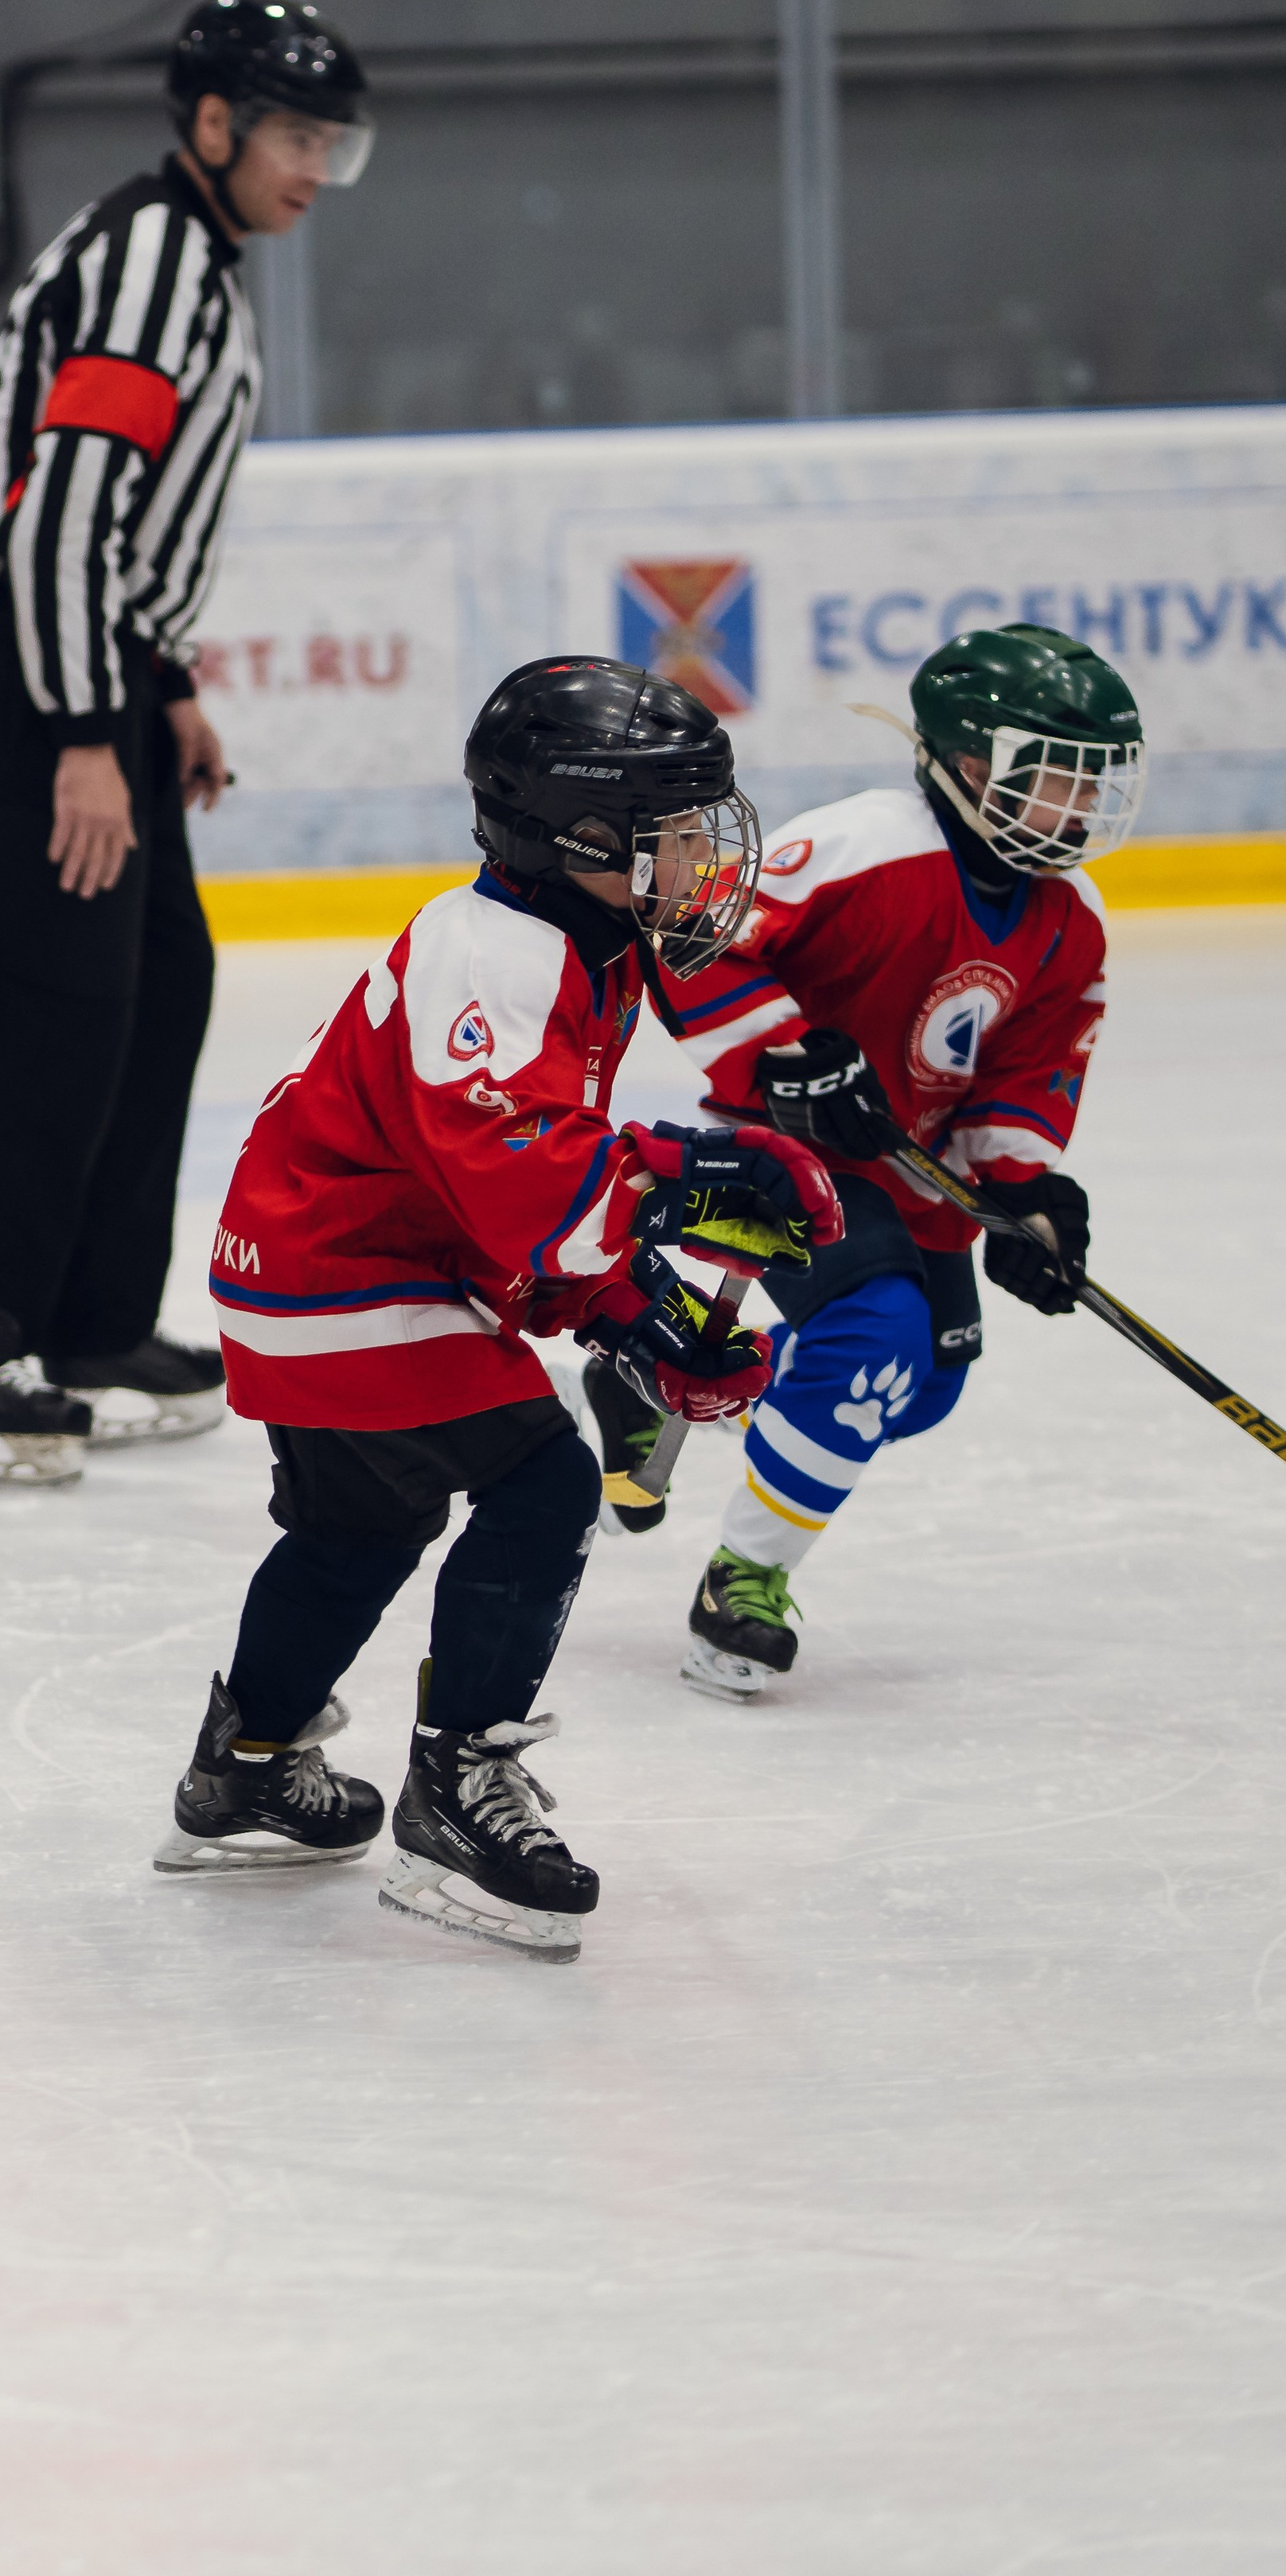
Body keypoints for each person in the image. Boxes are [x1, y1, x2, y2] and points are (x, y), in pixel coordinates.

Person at [152, 657, 844, 1960]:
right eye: (677, 835)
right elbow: (527, 1181)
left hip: (321, 1265)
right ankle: (456, 1789)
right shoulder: (498, 953)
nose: (707, 860)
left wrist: (631, 1308)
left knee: (360, 1530)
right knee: (539, 1488)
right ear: (584, 837)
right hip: (338, 1272)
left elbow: (523, 1202)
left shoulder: (587, 947)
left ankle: (242, 1765)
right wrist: (689, 1185)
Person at [0, 0, 375, 1485]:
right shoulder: (156, 261)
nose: (315, 167)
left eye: (333, 145)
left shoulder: (200, 259)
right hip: (37, 660)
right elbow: (60, 522)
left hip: (94, 661)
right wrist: (80, 734)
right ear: (213, 125)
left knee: (155, 983)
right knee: (45, 1016)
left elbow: (122, 541)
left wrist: (160, 686)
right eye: (296, 137)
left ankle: (90, 1320)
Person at [629, 621, 1145, 1702]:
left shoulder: (1071, 920)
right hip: (771, 1155)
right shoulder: (869, 843)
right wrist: (787, 1056)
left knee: (922, 1387)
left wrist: (1029, 1198)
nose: (1080, 808)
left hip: (908, 1173)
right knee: (877, 1337)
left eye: (1094, 783)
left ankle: (671, 1363)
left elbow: (1029, 1072)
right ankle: (744, 1581)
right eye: (1056, 779)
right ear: (969, 766)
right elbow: (691, 929)